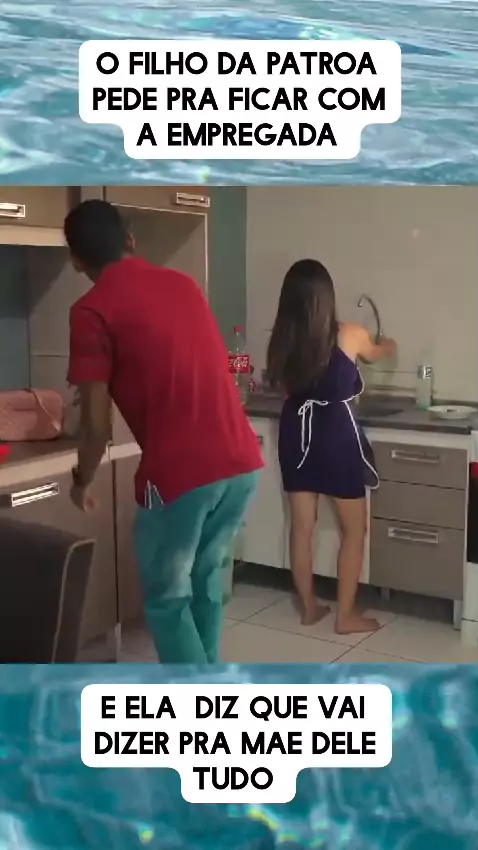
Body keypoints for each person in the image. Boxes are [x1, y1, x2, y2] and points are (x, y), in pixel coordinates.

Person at [64, 199, 262, 663]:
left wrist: (81, 479)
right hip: (241, 465)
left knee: (169, 600)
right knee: (206, 583)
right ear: (130, 240)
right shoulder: (183, 284)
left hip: (181, 475)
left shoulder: (90, 310)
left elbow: (95, 426)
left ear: (75, 259)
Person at [266, 259, 397, 635]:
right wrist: (389, 343)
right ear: (327, 297)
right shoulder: (349, 334)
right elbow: (376, 352)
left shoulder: (282, 344)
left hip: (296, 431)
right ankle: (345, 615)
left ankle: (309, 608)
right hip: (335, 435)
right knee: (354, 529)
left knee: (302, 528)